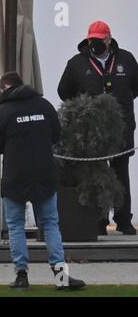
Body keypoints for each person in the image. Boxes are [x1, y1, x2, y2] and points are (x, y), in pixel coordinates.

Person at [0, 72, 85, 291]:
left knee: (15, 226)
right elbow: (56, 136)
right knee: (50, 224)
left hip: (15, 176)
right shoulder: (44, 106)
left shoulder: (4, 113)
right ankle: (61, 277)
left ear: (4, 88)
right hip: (44, 173)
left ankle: (21, 276)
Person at [58, 21, 138, 235]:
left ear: (109, 39)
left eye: (99, 40)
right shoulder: (76, 63)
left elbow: (135, 88)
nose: (95, 44)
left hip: (121, 128)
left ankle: (123, 220)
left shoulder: (127, 59)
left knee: (121, 172)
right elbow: (64, 91)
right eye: (92, 40)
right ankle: (98, 220)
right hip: (91, 130)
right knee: (95, 172)